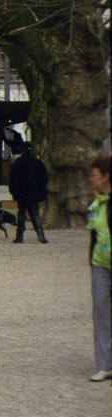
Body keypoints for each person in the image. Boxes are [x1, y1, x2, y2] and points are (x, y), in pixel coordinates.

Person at [87, 154, 110, 382]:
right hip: (100, 265)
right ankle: (104, 365)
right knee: (101, 315)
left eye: (93, 175)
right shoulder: (95, 203)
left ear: (106, 177)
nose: (89, 179)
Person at [9, 143, 49, 243]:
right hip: (34, 192)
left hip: (22, 192)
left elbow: (13, 178)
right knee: (35, 213)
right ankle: (41, 235)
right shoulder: (38, 162)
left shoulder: (18, 162)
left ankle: (19, 236)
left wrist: (13, 192)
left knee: (21, 214)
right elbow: (44, 178)